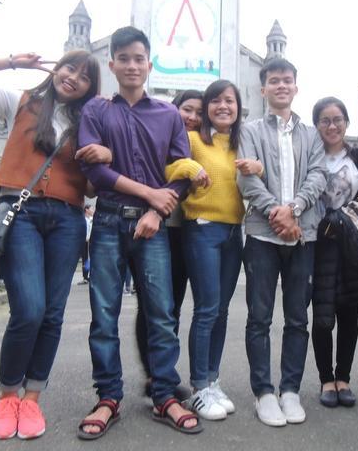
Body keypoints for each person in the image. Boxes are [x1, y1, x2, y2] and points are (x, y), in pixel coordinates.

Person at [0, 50, 109, 440]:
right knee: (29, 310)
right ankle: (7, 397)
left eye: (85, 77)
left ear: (90, 87)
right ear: (56, 69)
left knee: (52, 314)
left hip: (68, 219)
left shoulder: (88, 124)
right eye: (69, 68)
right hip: (21, 215)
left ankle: (32, 398)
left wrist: (103, 157)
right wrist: (13, 62)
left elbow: (90, 187)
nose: (74, 78)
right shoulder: (19, 103)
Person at [76, 26, 202, 437]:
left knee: (161, 315)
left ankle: (164, 394)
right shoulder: (96, 110)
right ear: (112, 64)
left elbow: (181, 172)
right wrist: (150, 194)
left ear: (149, 64)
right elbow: (95, 171)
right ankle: (108, 397)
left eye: (139, 59)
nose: (132, 65)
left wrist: (156, 212)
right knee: (104, 315)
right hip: (108, 220)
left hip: (153, 226)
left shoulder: (168, 114)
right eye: (124, 59)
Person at [237, 57, 327, 427]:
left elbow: (319, 174)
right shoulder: (250, 130)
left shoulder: (311, 134)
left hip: (303, 236)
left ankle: (290, 390)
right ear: (263, 89)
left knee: (297, 318)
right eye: (274, 80)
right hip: (262, 235)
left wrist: (295, 209)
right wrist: (277, 212)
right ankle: (263, 392)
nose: (281, 86)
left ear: (295, 86)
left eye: (287, 80)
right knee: (259, 317)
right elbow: (246, 178)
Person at [165, 80, 254, 420]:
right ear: (206, 108)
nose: (223, 106)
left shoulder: (242, 143)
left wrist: (258, 167)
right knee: (206, 309)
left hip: (233, 232)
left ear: (238, 107)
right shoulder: (192, 139)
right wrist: (189, 167)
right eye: (215, 101)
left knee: (222, 311)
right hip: (201, 229)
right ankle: (199, 387)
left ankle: (213, 381)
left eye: (229, 101)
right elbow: (167, 167)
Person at [309, 96, 358, 409]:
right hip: (318, 242)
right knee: (322, 313)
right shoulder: (309, 155)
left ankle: (344, 379)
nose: (332, 126)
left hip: (352, 242)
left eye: (337, 119)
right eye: (325, 120)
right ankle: (326, 379)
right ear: (316, 125)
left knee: (349, 312)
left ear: (346, 122)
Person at [134, 89, 203, 399]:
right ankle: (153, 375)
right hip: (152, 226)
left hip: (183, 231)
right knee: (150, 305)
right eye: (187, 109)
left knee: (172, 305)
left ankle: (163, 371)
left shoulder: (201, 144)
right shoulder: (159, 136)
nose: (193, 117)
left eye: (199, 112)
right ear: (174, 109)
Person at [80, 204, 93, 284]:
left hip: (91, 241)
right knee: (85, 259)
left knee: (92, 258)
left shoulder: (92, 220)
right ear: (86, 210)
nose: (93, 211)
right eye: (91, 209)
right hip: (84, 242)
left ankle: (91, 276)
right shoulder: (83, 219)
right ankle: (85, 277)